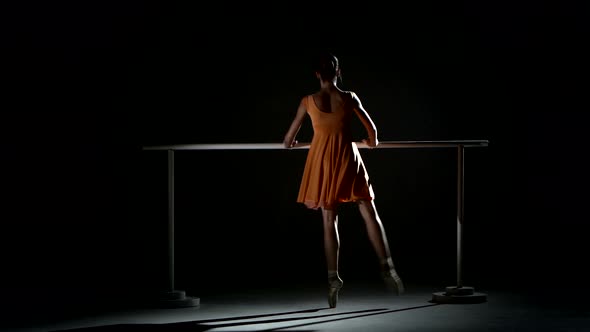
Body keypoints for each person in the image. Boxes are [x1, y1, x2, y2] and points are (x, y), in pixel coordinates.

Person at [283, 52, 404, 308]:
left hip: (323, 162)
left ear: (317, 73)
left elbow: (287, 141)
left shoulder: (307, 101)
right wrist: (370, 143)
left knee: (329, 220)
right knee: (369, 211)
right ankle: (388, 268)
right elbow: (372, 131)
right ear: (338, 72)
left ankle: (333, 279)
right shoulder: (349, 97)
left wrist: (292, 142)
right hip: (348, 158)